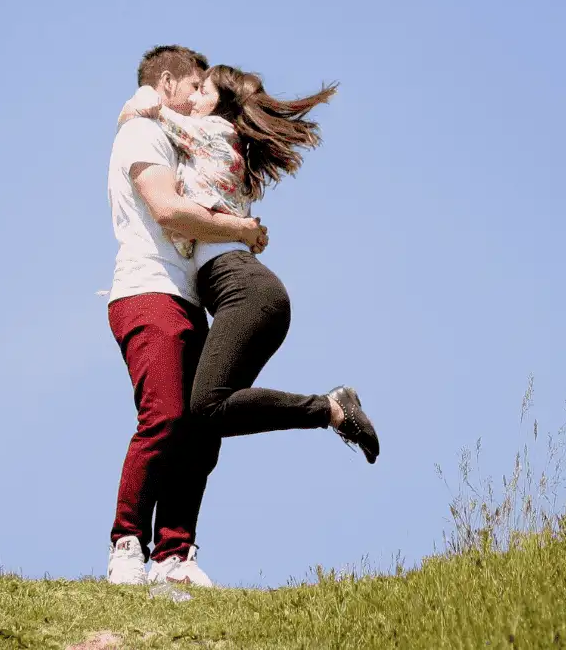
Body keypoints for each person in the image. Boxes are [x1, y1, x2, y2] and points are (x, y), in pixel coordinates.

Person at [115, 64, 381, 585]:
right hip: (246, 291)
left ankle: (330, 408)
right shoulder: (221, 137)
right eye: (190, 88)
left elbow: (141, 113)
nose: (193, 98)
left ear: (217, 104)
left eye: (203, 90)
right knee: (202, 419)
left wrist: (147, 97)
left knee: (205, 408)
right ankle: (174, 557)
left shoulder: (212, 131)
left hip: (245, 290)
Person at [103, 45, 268, 588]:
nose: (200, 95)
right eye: (193, 84)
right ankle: (127, 544)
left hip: (185, 297)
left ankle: (173, 555)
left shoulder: (173, 134)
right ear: (167, 82)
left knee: (198, 429)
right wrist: (243, 231)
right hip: (149, 289)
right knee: (165, 419)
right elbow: (168, 209)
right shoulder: (143, 132)